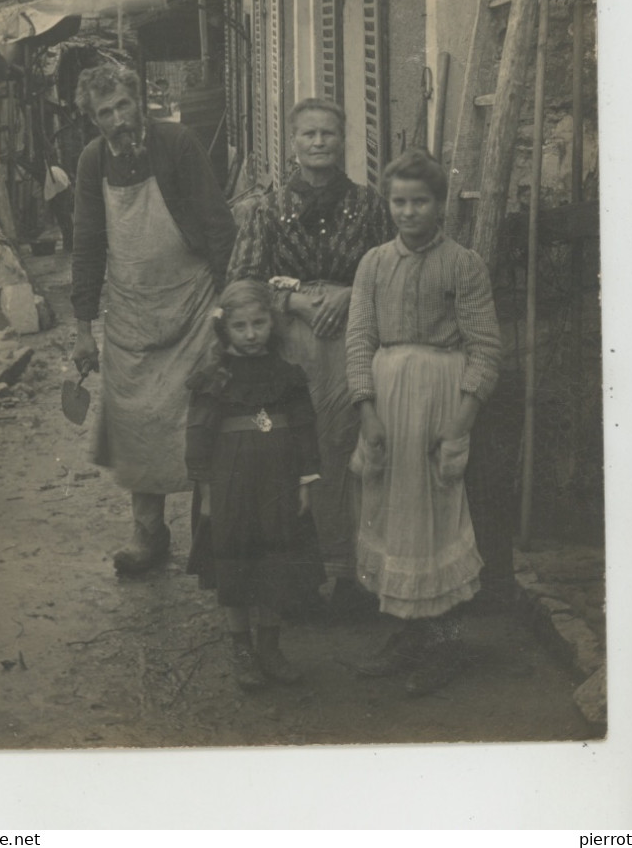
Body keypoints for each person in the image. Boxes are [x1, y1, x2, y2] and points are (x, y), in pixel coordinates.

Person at [227, 98, 394, 612]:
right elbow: (242, 282)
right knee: (296, 451)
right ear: (292, 143)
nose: (318, 143)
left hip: (354, 338)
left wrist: (351, 292)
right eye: (308, 135)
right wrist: (292, 300)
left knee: (350, 449)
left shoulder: (369, 205)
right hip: (292, 344)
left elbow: (392, 266)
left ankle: (353, 578)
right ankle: (298, 581)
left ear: (343, 140)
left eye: (328, 134)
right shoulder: (269, 210)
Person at [346, 149, 502, 695]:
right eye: (399, 202)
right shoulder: (373, 264)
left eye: (420, 202)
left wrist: (458, 425)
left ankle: (446, 643)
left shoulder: (463, 265)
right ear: (388, 204)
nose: (408, 212)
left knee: (439, 516)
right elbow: (360, 340)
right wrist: (367, 413)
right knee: (392, 515)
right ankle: (406, 634)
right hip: (387, 402)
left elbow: (484, 351)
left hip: (440, 402)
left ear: (439, 205)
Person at [71, 62, 236, 576]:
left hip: (191, 305)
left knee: (205, 422)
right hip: (130, 315)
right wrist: (81, 326)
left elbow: (217, 224)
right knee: (137, 429)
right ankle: (149, 535)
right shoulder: (92, 163)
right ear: (93, 121)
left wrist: (230, 303)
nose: (118, 119)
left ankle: (212, 539)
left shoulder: (178, 145)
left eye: (123, 104)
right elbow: (87, 244)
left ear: (138, 101)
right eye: (105, 112)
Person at [185, 280, 321, 690]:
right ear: (224, 329)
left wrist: (304, 481)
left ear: (272, 323)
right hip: (231, 486)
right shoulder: (214, 377)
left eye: (259, 323)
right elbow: (198, 434)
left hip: (277, 481)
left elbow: (304, 428)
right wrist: (207, 491)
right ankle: (242, 649)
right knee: (236, 564)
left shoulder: (287, 375)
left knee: (275, 564)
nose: (250, 333)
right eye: (240, 326)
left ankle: (270, 648)